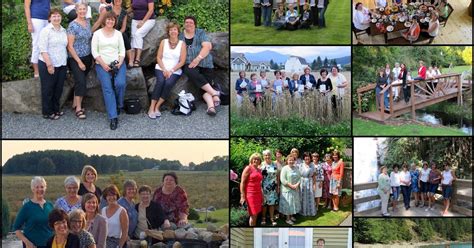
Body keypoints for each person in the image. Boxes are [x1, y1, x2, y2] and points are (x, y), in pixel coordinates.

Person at [179, 16, 222, 116]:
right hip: (189, 63)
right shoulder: (180, 36)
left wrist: (198, 58)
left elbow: (207, 46)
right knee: (190, 71)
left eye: (191, 22)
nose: (188, 24)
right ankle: (214, 95)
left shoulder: (200, 33)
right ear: (184, 24)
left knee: (204, 85)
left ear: (195, 25)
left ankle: (211, 107)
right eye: (186, 22)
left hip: (205, 63)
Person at [91, 11, 126, 130]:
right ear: (104, 20)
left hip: (118, 63)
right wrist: (103, 64)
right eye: (108, 19)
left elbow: (122, 50)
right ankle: (113, 117)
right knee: (107, 88)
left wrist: (120, 63)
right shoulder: (97, 34)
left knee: (120, 83)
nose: (110, 21)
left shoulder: (118, 34)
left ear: (115, 21)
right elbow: (94, 52)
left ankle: (118, 104)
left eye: (113, 19)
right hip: (102, 64)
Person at [147, 21, 186, 119]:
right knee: (160, 81)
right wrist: (164, 70)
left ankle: (157, 106)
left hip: (174, 70)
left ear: (178, 32)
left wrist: (171, 70)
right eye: (171, 30)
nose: (173, 31)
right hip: (161, 67)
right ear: (168, 32)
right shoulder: (163, 42)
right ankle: (151, 107)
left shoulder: (182, 44)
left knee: (168, 83)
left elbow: (182, 61)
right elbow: (159, 58)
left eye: (175, 29)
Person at [38, 8, 68, 120]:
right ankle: (47, 112)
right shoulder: (46, 31)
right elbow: (43, 49)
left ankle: (56, 109)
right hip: (48, 63)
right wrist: (49, 65)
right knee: (48, 89)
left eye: (58, 16)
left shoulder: (63, 30)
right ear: (49, 18)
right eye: (54, 16)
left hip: (61, 63)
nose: (56, 18)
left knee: (58, 88)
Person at [67, 3, 92, 119]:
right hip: (75, 58)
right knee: (81, 82)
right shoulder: (72, 25)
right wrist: (79, 62)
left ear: (86, 10)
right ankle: (78, 108)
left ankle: (74, 102)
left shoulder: (87, 22)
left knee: (80, 81)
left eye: (84, 9)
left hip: (87, 57)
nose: (82, 11)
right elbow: (70, 46)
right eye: (80, 9)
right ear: (76, 11)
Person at [14, 176, 54, 248]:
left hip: (50, 245)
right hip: (33, 246)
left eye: (42, 187)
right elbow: (16, 228)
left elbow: (54, 225)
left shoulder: (50, 205)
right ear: (32, 189)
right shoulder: (27, 207)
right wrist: (27, 242)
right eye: (37, 187)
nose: (40, 189)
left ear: (45, 188)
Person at [92, 0, 133, 68]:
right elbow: (99, 22)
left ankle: (131, 61)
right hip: (105, 30)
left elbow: (123, 27)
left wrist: (117, 34)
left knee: (124, 36)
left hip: (118, 32)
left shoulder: (124, 12)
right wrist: (91, 31)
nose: (118, 0)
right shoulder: (107, 9)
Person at [25, 0, 51, 78]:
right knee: (37, 44)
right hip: (36, 19)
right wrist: (29, 23)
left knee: (47, 43)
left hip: (46, 19)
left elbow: (48, 5)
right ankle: (36, 71)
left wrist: (50, 19)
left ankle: (46, 66)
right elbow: (26, 7)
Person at [128, 0, 155, 68]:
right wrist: (123, 12)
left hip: (148, 20)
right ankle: (131, 60)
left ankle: (137, 59)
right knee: (133, 37)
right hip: (135, 20)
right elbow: (132, 8)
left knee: (138, 34)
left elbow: (151, 10)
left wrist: (143, 22)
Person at [239, 153, 263, 227]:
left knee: (256, 214)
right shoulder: (248, 168)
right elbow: (242, 182)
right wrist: (242, 196)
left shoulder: (259, 170)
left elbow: (259, 183)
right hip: (250, 194)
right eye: (254, 159)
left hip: (258, 193)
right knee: (253, 214)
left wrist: (262, 195)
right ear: (251, 160)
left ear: (260, 161)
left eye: (258, 159)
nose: (256, 160)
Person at [279, 155, 301, 225]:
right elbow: (283, 180)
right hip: (287, 190)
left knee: (293, 203)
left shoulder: (296, 168)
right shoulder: (284, 168)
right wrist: (291, 186)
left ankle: (291, 216)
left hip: (295, 189)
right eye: (290, 160)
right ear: (287, 161)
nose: (291, 161)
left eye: (292, 160)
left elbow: (299, 178)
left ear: (294, 161)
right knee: (288, 204)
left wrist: (297, 185)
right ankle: (287, 219)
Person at [260, 150, 279, 226]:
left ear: (271, 156)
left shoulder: (274, 164)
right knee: (264, 204)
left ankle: (272, 218)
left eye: (268, 155)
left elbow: (277, 176)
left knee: (272, 204)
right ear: (263, 156)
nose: (267, 156)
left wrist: (278, 187)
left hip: (273, 187)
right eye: (265, 155)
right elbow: (259, 177)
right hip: (264, 187)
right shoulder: (261, 165)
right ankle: (263, 218)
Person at [299, 152, 316, 216]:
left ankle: (310, 211)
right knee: (302, 197)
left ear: (310, 158)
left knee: (310, 196)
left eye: (308, 156)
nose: (307, 157)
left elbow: (314, 176)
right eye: (305, 156)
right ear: (304, 158)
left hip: (309, 182)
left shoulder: (312, 165)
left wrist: (314, 185)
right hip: (302, 182)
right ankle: (302, 211)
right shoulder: (300, 165)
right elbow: (298, 175)